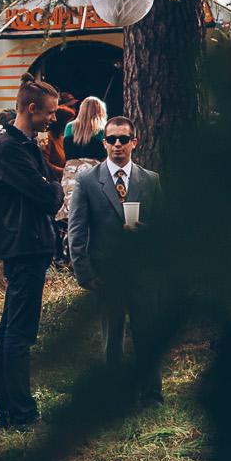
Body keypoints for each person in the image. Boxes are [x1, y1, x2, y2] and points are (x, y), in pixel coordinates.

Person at [65, 113, 163, 402]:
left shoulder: (150, 180)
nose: (117, 144)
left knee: (147, 333)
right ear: (104, 143)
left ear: (134, 141)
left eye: (123, 139)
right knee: (112, 338)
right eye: (111, 139)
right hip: (105, 272)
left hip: (143, 272)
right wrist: (84, 272)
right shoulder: (88, 181)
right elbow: (76, 229)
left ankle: (151, 394)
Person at [0, 78, 65, 429]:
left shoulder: (25, 145)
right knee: (19, 333)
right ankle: (20, 413)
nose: (52, 118)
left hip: (28, 243)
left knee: (10, 331)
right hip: (25, 246)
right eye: (49, 112)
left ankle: (9, 412)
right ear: (31, 109)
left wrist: (52, 184)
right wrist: (54, 188)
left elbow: (50, 181)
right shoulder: (10, 148)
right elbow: (49, 194)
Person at [62, 94, 108, 162]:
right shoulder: (103, 129)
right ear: (101, 111)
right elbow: (105, 157)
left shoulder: (69, 127)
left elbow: (67, 154)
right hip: (95, 170)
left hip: (73, 169)